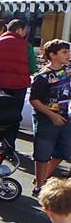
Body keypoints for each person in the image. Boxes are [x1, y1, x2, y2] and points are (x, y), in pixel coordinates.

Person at [0, 19, 37, 150]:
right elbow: (33, 68)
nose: (25, 33)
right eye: (24, 30)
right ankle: (9, 145)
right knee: (13, 117)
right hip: (17, 86)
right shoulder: (26, 46)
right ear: (19, 30)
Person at [29, 39, 71, 195]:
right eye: (64, 52)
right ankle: (39, 185)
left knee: (63, 152)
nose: (68, 55)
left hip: (65, 116)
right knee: (43, 153)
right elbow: (34, 100)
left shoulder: (67, 70)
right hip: (46, 119)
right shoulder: (43, 77)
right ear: (53, 55)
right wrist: (51, 115)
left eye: (69, 51)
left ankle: (44, 176)